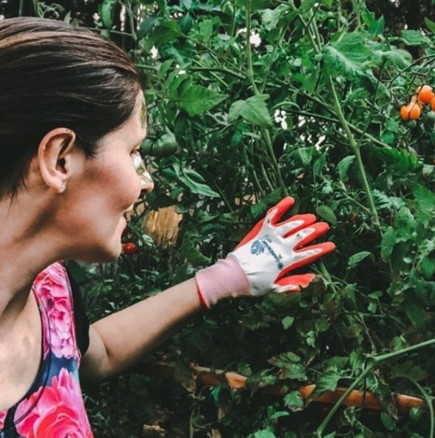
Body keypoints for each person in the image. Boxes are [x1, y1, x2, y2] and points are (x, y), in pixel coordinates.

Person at [0, 16, 335, 437]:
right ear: (60, 159)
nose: (146, 180)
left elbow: (92, 355)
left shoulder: (51, 291)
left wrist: (222, 279)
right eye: (134, 151)